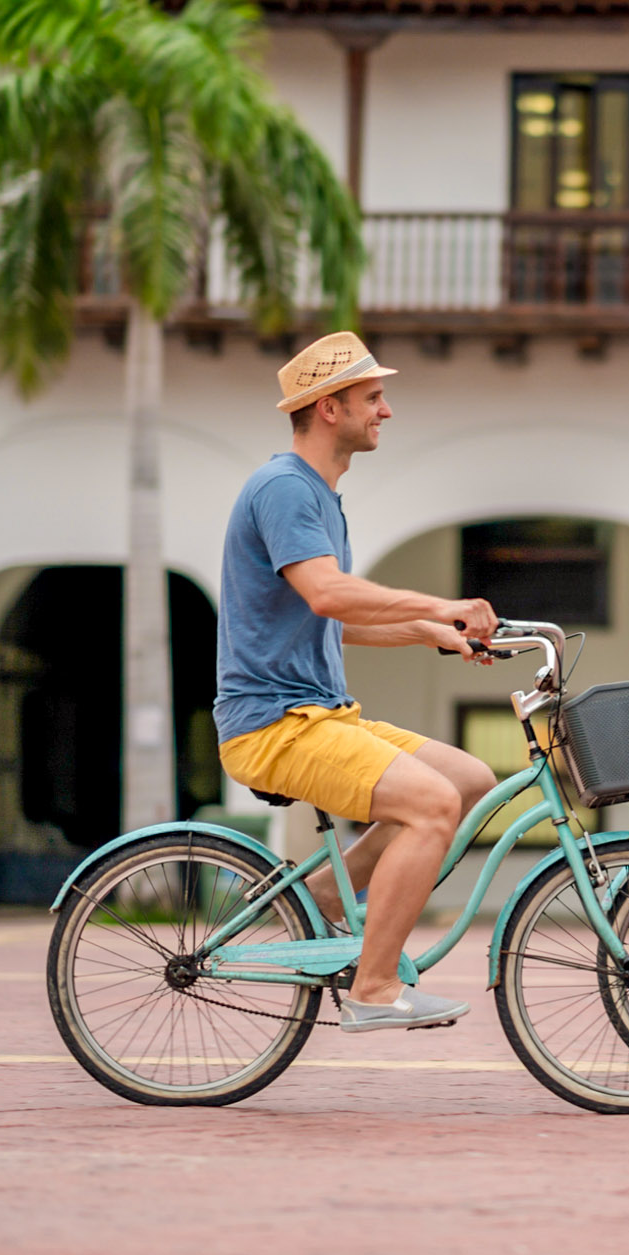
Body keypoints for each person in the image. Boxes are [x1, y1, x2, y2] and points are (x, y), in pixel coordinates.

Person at [215, 331, 502, 1034]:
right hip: (273, 724)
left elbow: (327, 619)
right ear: (328, 409)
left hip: (322, 714)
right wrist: (439, 604)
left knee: (468, 778)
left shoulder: (319, 496)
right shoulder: (285, 488)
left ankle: (318, 901)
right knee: (432, 805)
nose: (387, 411)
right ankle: (373, 990)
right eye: (374, 398)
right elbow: (327, 595)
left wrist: (423, 631)